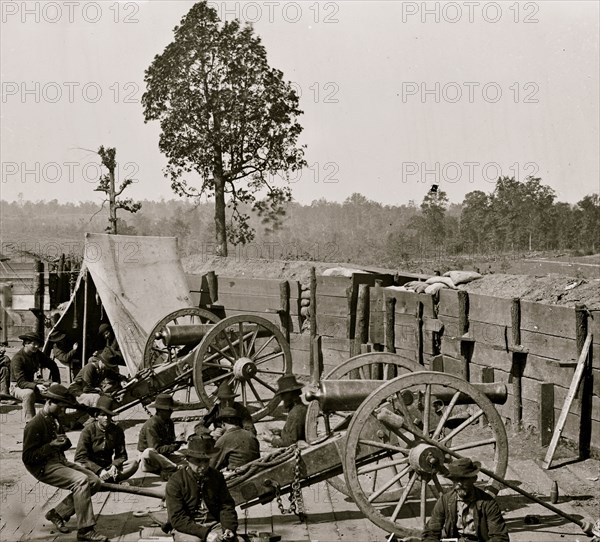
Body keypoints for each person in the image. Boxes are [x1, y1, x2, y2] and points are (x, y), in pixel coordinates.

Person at [22, 383, 108, 542]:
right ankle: (86, 530)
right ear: (48, 402)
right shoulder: (34, 424)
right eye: (60, 407)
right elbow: (27, 457)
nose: (62, 411)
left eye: (64, 408)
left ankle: (59, 513)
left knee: (94, 481)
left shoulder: (54, 419)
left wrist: (63, 442)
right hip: (42, 467)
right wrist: (50, 446)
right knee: (81, 481)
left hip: (58, 461)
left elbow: (64, 443)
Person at [166, 437, 238, 542]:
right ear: (188, 459)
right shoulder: (176, 481)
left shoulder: (217, 477)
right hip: (188, 527)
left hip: (214, 524)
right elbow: (177, 518)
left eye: (206, 461)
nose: (203, 466)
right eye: (198, 461)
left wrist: (228, 528)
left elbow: (226, 506)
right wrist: (206, 533)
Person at [421, 457, 509, 542]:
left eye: (463, 480)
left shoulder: (488, 503)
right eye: (455, 480)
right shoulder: (445, 501)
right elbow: (430, 533)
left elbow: (500, 537)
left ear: (474, 479)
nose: (458, 485)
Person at [75, 395, 139, 483]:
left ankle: (102, 481)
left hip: (109, 467)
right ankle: (105, 481)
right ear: (96, 416)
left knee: (133, 464)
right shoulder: (88, 430)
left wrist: (114, 466)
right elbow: (80, 457)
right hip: (91, 468)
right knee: (79, 467)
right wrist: (99, 470)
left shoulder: (117, 430)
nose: (106, 418)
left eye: (109, 415)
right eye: (103, 415)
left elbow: (122, 455)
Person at [10, 332, 61, 423]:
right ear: (26, 343)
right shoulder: (18, 359)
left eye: (38, 344)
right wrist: (36, 386)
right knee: (28, 394)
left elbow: (53, 365)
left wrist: (55, 382)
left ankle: (54, 421)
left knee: (55, 392)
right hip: (17, 387)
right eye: (34, 344)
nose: (37, 346)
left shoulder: (37, 354)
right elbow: (21, 382)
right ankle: (31, 423)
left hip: (32, 385)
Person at [138, 393, 186, 479]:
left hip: (163, 456)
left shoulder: (169, 422)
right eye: (168, 410)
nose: (171, 411)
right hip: (149, 460)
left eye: (171, 409)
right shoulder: (152, 424)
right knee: (149, 452)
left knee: (186, 454)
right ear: (159, 410)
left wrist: (178, 442)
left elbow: (169, 444)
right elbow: (156, 449)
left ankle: (167, 467)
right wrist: (175, 445)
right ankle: (174, 467)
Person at [261, 374, 307, 448]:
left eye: (283, 395)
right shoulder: (299, 408)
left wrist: (271, 439)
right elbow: (294, 433)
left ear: (291, 394)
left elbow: (291, 442)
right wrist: (280, 432)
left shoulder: (295, 413)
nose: (282, 398)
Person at [210, 407, 260, 472]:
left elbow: (212, 466)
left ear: (223, 423)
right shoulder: (251, 435)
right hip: (254, 471)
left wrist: (215, 440)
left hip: (237, 475)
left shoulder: (224, 439)